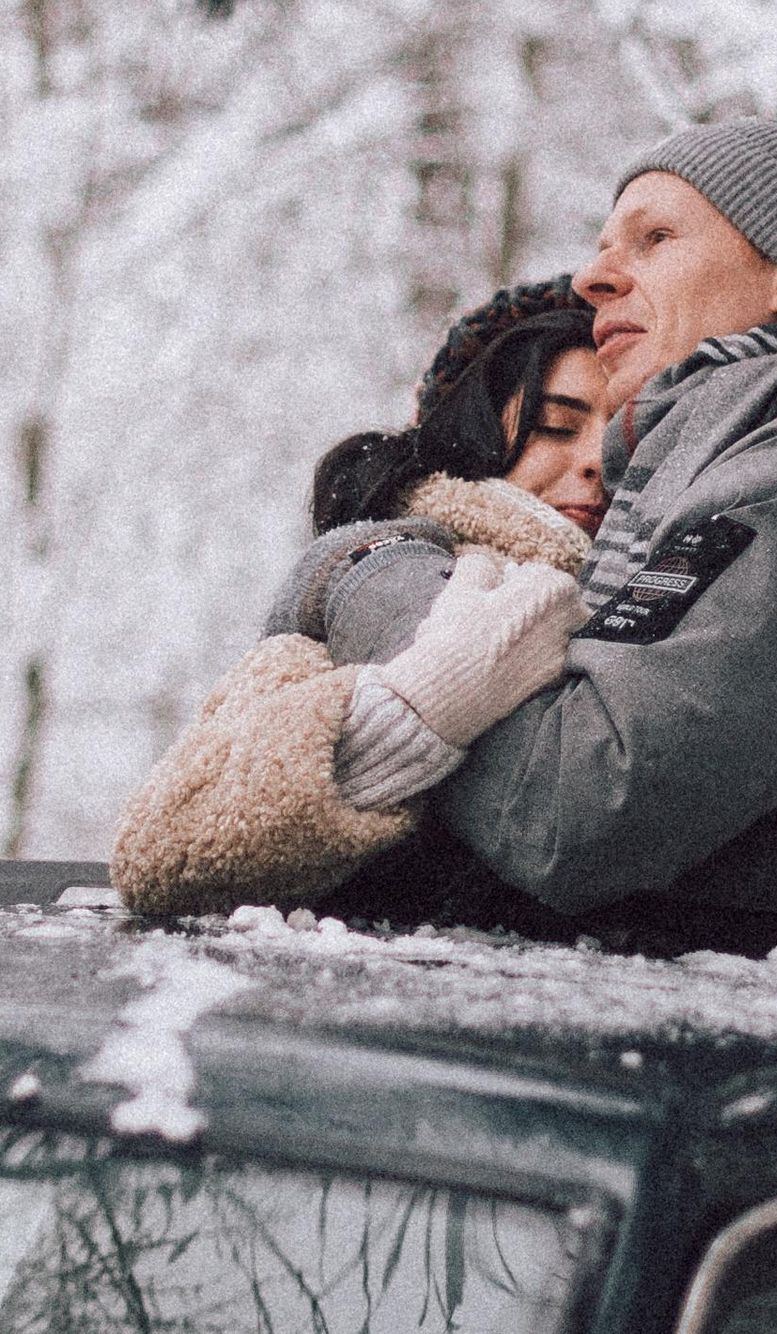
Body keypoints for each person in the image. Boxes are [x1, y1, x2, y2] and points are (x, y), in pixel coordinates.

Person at [117, 117, 777, 984]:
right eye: (604, 241)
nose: (594, 277)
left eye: (655, 238)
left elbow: (569, 800)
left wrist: (367, 573)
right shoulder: (773, 469)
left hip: (736, 1098)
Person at [108, 282, 607, 921]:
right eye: (555, 428)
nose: (597, 461)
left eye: (629, 435)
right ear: (473, 433)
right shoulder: (389, 561)